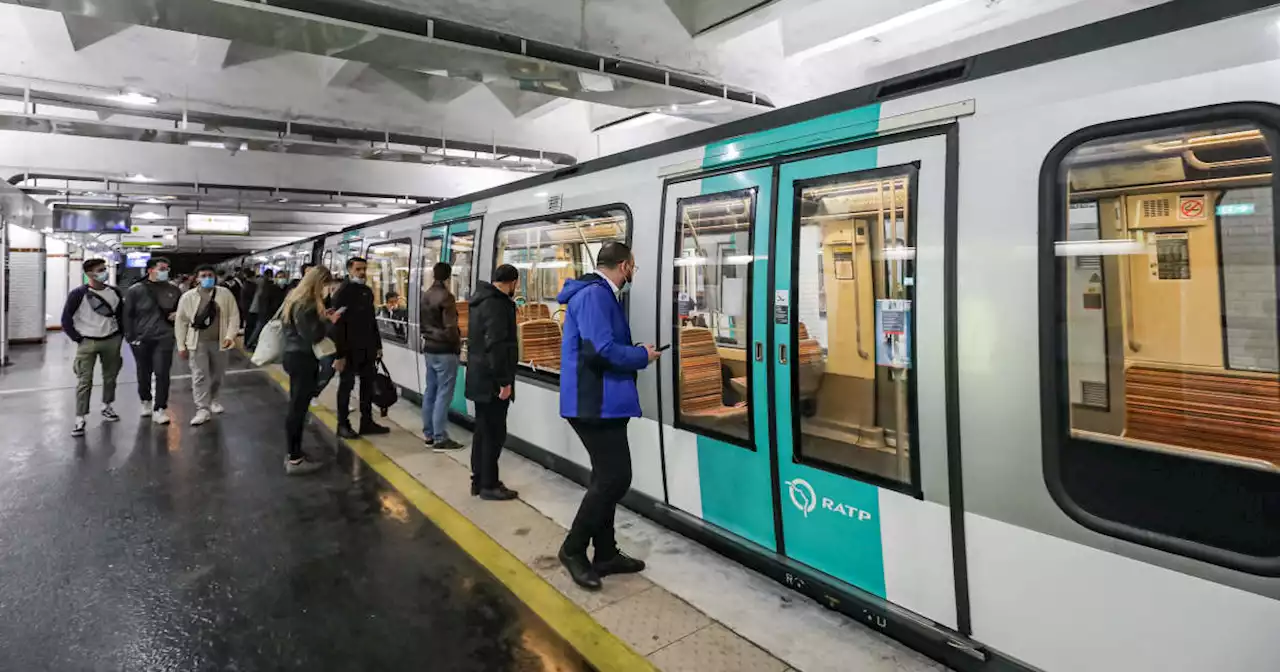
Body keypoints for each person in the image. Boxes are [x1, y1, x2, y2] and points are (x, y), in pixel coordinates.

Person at [555, 242, 662, 591]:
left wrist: (635, 354)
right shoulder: (594, 295)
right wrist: (640, 356)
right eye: (634, 266)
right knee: (615, 478)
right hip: (593, 403)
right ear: (625, 265)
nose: (634, 272)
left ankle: (605, 552)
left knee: (606, 477)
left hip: (602, 402)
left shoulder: (599, 294)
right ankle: (573, 550)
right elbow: (600, 349)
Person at [464, 264, 520, 501]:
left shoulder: (481, 300)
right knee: (494, 434)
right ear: (512, 282)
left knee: (482, 432)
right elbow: (496, 345)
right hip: (491, 382)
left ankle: (478, 480)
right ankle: (489, 485)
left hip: (479, 377)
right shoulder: (497, 304)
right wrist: (504, 382)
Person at [281, 266, 343, 475]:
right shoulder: (306, 304)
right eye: (326, 284)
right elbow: (312, 336)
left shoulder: (294, 299)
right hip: (302, 358)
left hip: (293, 356)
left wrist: (322, 316)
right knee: (298, 408)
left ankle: (293, 453)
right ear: (319, 283)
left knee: (296, 406)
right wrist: (330, 322)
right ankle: (295, 459)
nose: (328, 289)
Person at [61, 258, 125, 437]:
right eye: (100, 270)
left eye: (104, 269)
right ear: (89, 274)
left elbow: (121, 316)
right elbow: (66, 319)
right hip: (87, 342)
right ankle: (80, 417)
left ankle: (107, 406)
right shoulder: (78, 294)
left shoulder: (114, 292)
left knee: (110, 376)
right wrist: (78, 338)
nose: (104, 272)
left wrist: (121, 336)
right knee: (84, 381)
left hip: (111, 340)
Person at [175, 265, 241, 426]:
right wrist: (181, 345)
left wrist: (229, 336)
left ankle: (214, 399)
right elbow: (181, 321)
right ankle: (202, 409)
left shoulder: (224, 294)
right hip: (197, 342)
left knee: (218, 374)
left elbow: (234, 315)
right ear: (196, 278)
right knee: (199, 375)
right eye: (203, 275)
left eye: (210, 275)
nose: (207, 278)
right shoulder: (188, 297)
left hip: (220, 342)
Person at [331, 256, 389, 438]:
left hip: (367, 348)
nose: (362, 272)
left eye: (364, 269)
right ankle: (342, 424)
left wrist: (378, 345)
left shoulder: (366, 291)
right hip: (348, 349)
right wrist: (339, 354)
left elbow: (372, 321)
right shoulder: (343, 292)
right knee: (346, 386)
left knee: (367, 385)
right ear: (349, 270)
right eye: (358, 269)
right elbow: (337, 325)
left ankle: (367, 421)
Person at [121, 256, 182, 425]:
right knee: (143, 371)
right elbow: (128, 315)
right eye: (161, 268)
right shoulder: (136, 290)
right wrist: (130, 337)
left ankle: (160, 408)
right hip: (141, 338)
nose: (165, 272)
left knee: (162, 373)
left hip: (164, 337)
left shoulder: (174, 290)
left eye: (167, 269)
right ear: (150, 270)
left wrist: (177, 316)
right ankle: (145, 400)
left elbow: (181, 311)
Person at [419, 262, 462, 451]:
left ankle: (428, 434)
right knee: (444, 394)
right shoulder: (447, 297)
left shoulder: (426, 295)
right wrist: (457, 345)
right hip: (445, 350)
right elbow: (451, 328)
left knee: (431, 391)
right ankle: (440, 438)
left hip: (429, 348)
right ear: (448, 276)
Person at [247, 269, 285, 349]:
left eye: (283, 277)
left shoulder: (280, 288)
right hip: (266, 314)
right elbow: (265, 300)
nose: (282, 279)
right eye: (280, 277)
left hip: (269, 313)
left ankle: (253, 344)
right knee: (259, 328)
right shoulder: (271, 287)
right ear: (275, 278)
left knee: (260, 328)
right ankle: (250, 344)